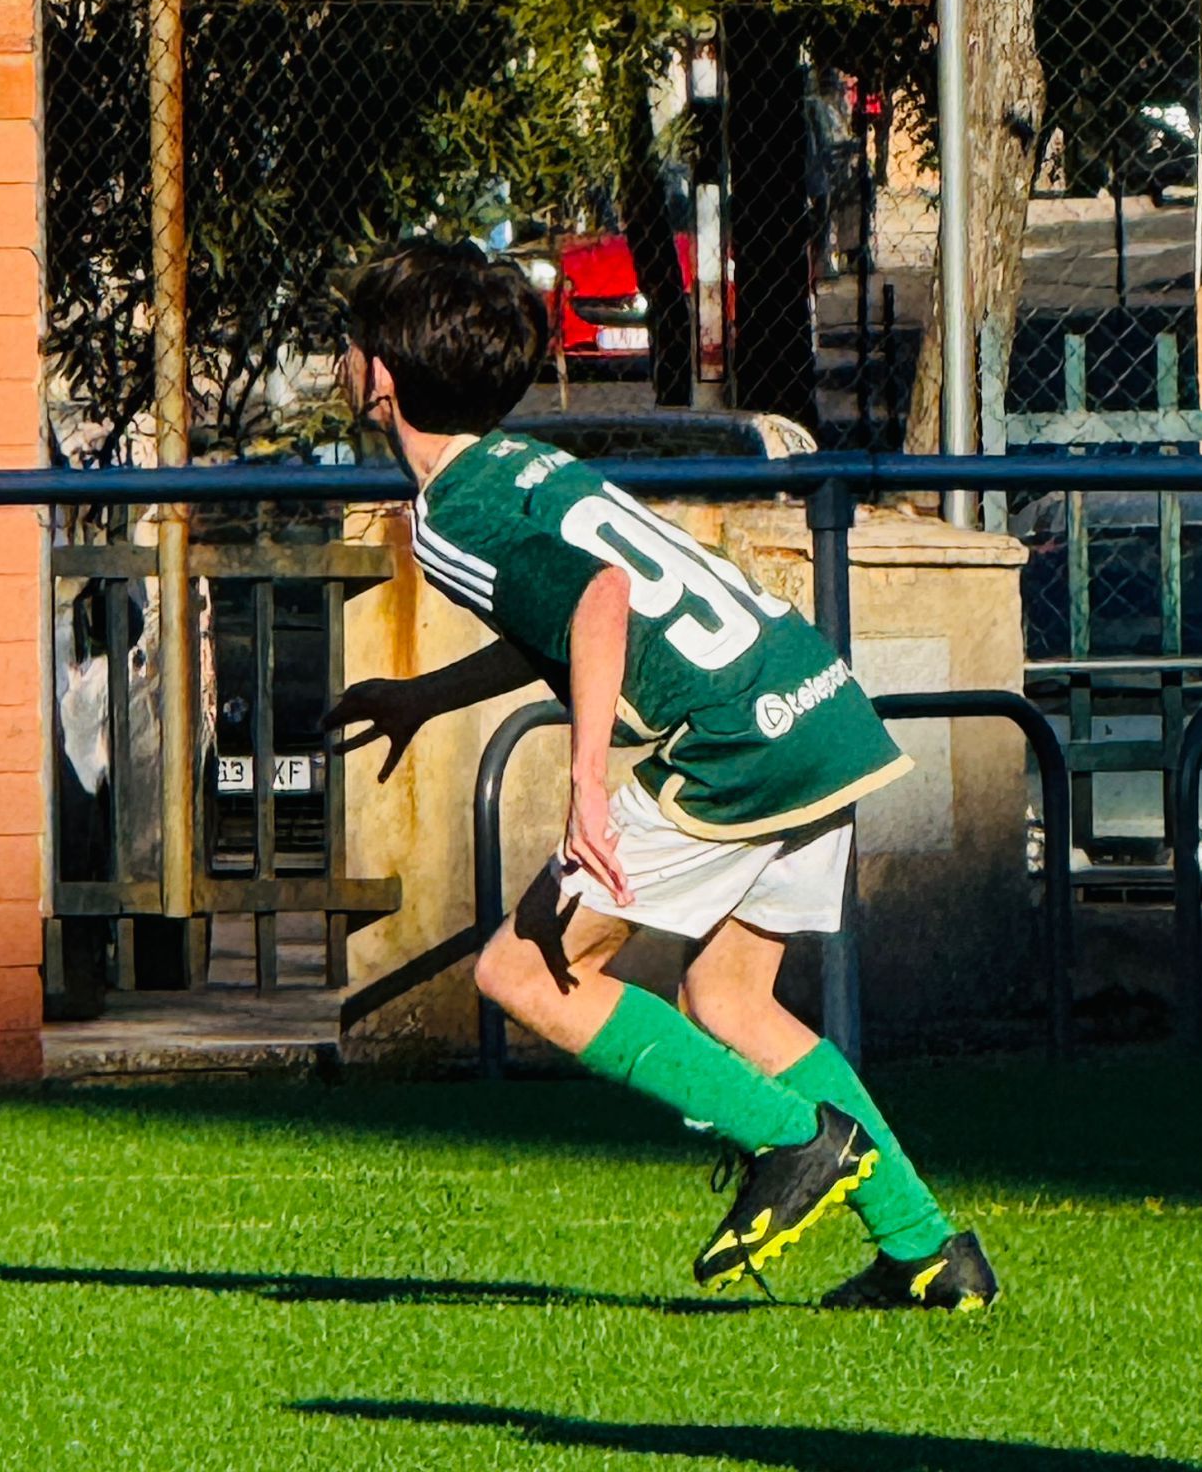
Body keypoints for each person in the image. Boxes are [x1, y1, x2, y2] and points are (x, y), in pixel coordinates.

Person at [327, 240, 998, 1311]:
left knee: (520, 971)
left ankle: (790, 1138)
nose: (343, 358)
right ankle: (929, 1255)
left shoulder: (449, 509)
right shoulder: (522, 464)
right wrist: (424, 696)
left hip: (732, 738)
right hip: (811, 699)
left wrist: (584, 779)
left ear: (384, 375)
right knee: (727, 994)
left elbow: (594, 597)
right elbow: (571, 602)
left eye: (351, 342)